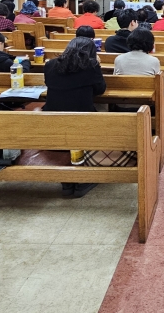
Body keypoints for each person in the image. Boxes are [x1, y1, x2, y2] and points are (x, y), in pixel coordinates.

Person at [43, 37, 123, 197]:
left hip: (52, 120)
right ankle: (85, 178)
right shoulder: (91, 66)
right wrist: (97, 66)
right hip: (83, 120)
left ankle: (69, 181)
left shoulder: (50, 65)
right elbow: (100, 89)